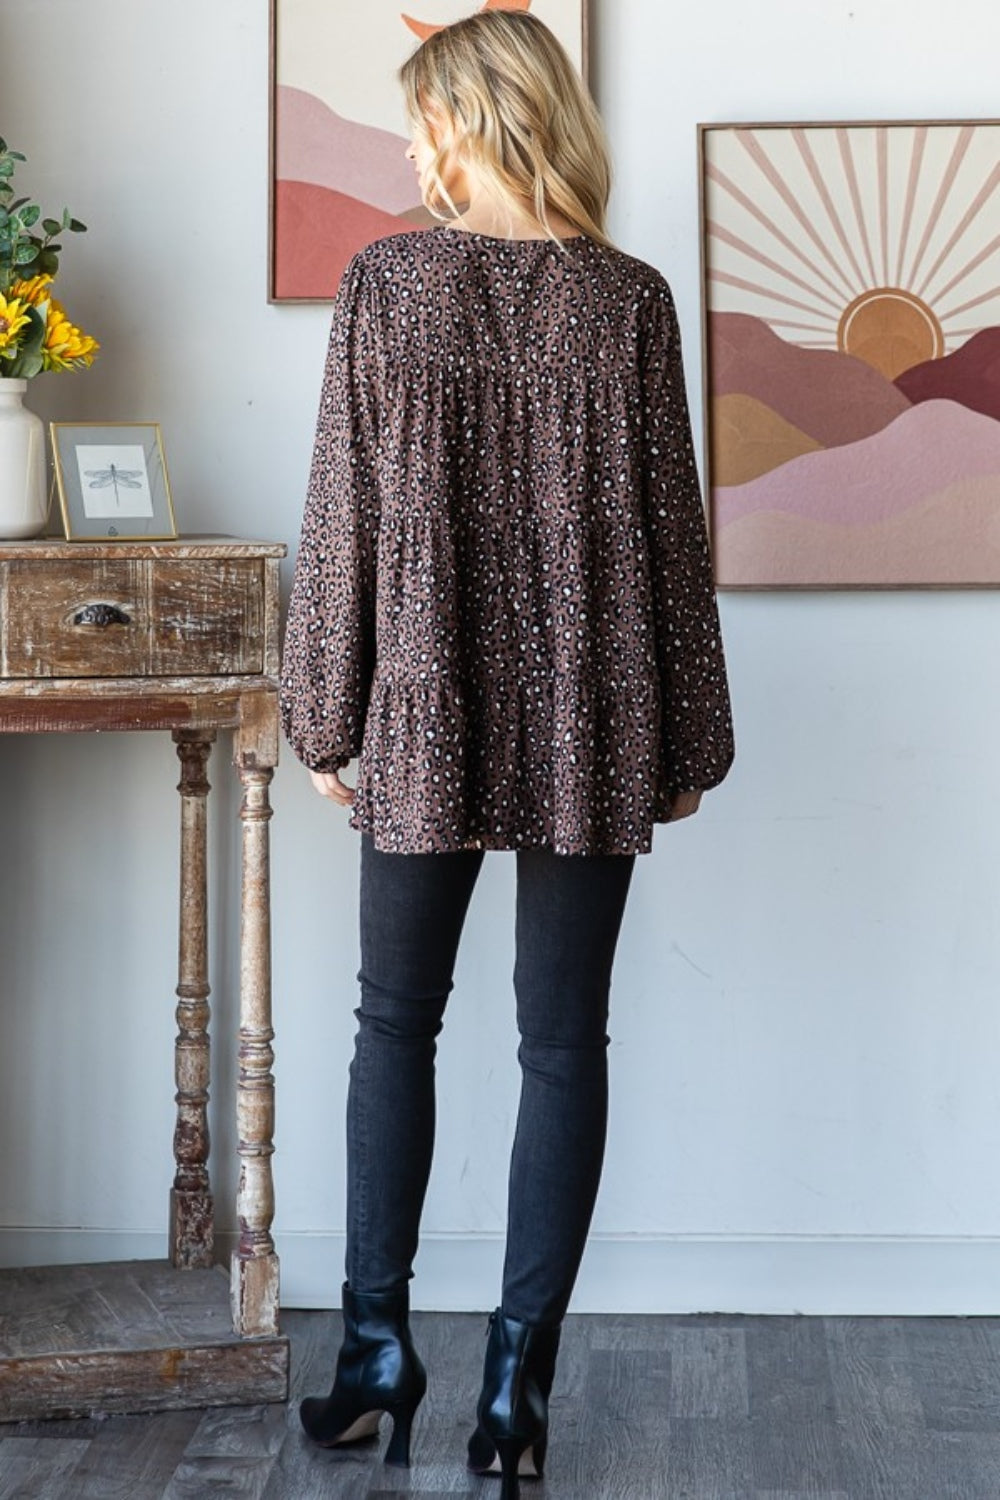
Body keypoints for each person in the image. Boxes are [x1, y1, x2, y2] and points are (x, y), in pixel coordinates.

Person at [279, 10, 735, 1498]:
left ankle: (372, 1356)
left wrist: (327, 713)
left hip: (422, 696)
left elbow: (341, 514)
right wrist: (686, 731)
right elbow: (675, 538)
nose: (412, 148)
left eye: (424, 118)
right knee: (562, 1044)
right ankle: (515, 1394)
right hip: (594, 711)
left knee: (390, 1024)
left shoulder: (387, 286)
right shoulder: (632, 302)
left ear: (475, 119)